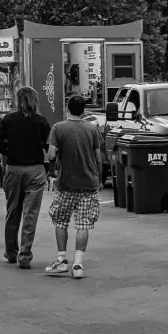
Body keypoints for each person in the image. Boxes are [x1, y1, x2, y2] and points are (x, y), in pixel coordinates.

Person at [44, 95, 105, 280]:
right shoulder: (92, 129)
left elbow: (52, 154)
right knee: (83, 224)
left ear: (67, 108)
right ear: (84, 110)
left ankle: (62, 260)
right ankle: (78, 265)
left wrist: (51, 170)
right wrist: (100, 179)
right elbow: (98, 157)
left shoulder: (58, 128)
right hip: (89, 183)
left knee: (61, 221)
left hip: (66, 184)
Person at [0, 86, 50, 270]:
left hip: (14, 169)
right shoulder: (41, 121)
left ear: (18, 100)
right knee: (30, 214)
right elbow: (49, 148)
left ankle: (11, 253)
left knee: (13, 212)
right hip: (35, 170)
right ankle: (25, 255)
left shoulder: (8, 120)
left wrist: (10, 154)